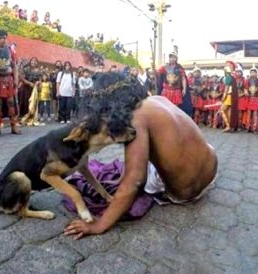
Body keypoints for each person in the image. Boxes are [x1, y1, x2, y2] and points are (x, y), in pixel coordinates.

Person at [64, 72, 218, 239]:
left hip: (186, 193)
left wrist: (100, 224)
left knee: (136, 170)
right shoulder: (158, 99)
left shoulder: (135, 119)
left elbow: (135, 181)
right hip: (211, 168)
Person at [220, 61, 238, 132]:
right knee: (229, 111)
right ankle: (231, 126)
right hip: (232, 96)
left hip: (228, 96)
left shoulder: (228, 76)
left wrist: (223, 97)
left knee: (222, 110)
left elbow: (226, 88)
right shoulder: (232, 76)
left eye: (228, 65)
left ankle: (228, 126)